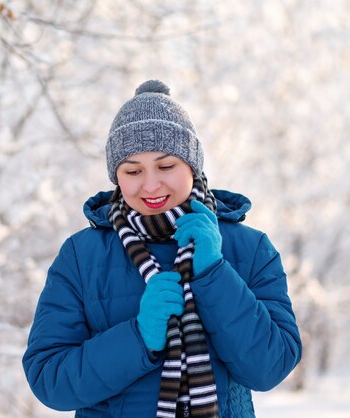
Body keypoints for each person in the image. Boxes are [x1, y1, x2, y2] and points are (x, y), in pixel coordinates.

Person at [22, 80, 302, 417]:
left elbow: (271, 367)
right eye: (133, 171)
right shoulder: (82, 257)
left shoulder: (250, 248)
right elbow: (49, 380)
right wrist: (138, 337)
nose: (151, 185)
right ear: (116, 176)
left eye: (166, 166)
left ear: (192, 165)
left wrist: (215, 275)